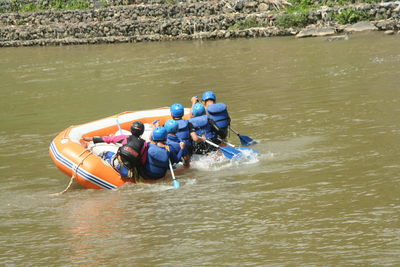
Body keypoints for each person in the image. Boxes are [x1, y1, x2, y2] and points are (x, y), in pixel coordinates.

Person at [81, 121, 147, 179]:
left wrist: (92, 139)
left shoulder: (125, 138)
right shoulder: (144, 144)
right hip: (131, 170)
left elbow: (108, 139)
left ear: (131, 130)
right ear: (142, 132)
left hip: (117, 164)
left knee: (105, 153)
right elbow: (143, 160)